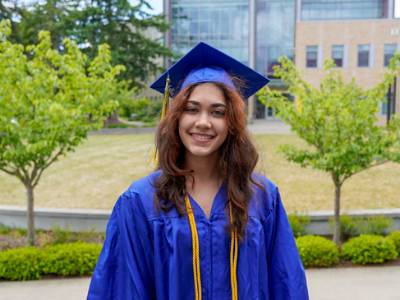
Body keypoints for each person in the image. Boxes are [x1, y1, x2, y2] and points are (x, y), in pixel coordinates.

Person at [87, 42, 309, 300]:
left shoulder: (262, 197)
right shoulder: (140, 202)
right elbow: (123, 288)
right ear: (176, 117)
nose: (203, 122)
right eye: (192, 109)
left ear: (232, 122)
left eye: (217, 112)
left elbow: (286, 284)